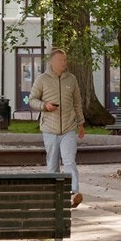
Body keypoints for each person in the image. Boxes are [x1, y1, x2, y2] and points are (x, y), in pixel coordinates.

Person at [32, 47, 85, 207]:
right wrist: (44, 105)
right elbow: (32, 100)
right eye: (61, 60)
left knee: (69, 161)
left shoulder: (72, 79)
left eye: (65, 59)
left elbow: (77, 102)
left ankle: (73, 194)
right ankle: (53, 195)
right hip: (49, 128)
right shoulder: (42, 79)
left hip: (69, 127)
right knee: (53, 164)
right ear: (52, 61)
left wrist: (81, 124)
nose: (64, 62)